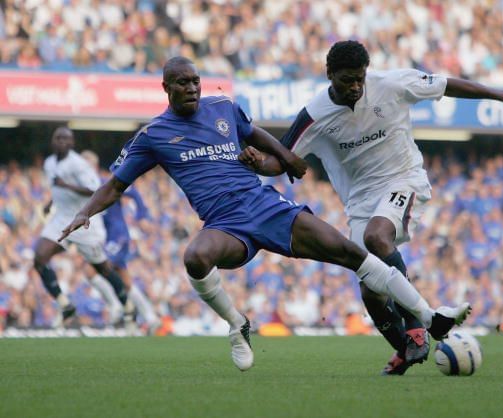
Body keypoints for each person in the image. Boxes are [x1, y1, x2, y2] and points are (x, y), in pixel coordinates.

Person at [59, 56, 470, 372]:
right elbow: (116, 185)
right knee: (194, 257)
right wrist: (84, 212)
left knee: (352, 253)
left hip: (266, 205)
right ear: (165, 87)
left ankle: (429, 316)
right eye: (182, 83)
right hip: (224, 224)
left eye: (196, 81)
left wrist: (287, 158)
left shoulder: (223, 108)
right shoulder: (153, 136)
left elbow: (254, 133)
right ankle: (237, 324)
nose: (192, 88)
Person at [241, 40, 503, 375]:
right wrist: (258, 163)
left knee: (376, 237)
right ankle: (404, 349)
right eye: (346, 79)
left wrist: (500, 95)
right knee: (371, 290)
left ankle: (420, 325)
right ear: (329, 74)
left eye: (360, 78)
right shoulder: (315, 114)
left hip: (403, 180)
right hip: (359, 199)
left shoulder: (391, 84)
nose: (355, 86)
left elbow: (447, 85)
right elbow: (282, 159)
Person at [33, 126, 131, 326]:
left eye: (65, 139)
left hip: (84, 221)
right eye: (58, 138)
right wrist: (50, 203)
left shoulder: (79, 165)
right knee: (39, 257)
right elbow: (55, 186)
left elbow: (95, 190)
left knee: (102, 268)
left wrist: (65, 185)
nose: (61, 141)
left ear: (72, 143)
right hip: (61, 218)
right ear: (53, 141)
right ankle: (65, 305)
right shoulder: (50, 163)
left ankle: (127, 305)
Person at [80, 150, 161, 333]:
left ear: (92, 166)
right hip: (108, 237)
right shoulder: (85, 188)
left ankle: (115, 306)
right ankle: (150, 316)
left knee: (91, 270)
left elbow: (133, 192)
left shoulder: (104, 182)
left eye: (84, 167)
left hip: (118, 236)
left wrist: (141, 214)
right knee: (125, 281)